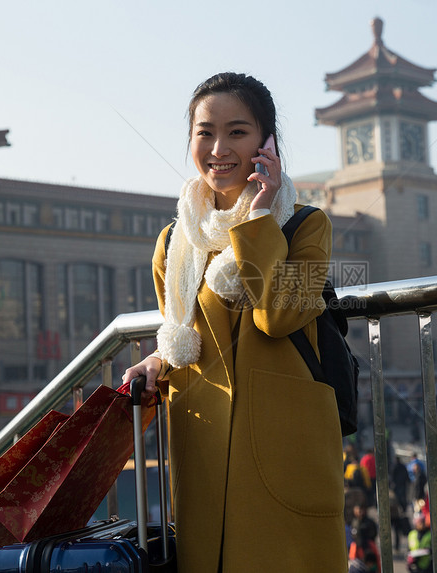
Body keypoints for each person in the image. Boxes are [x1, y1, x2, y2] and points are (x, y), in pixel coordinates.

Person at [122, 72, 346, 572]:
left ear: (267, 144)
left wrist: (257, 219)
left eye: (237, 131)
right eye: (205, 132)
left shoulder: (304, 225)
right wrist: (158, 360)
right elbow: (184, 333)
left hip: (283, 444)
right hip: (201, 446)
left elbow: (279, 315)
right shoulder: (172, 244)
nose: (218, 147)